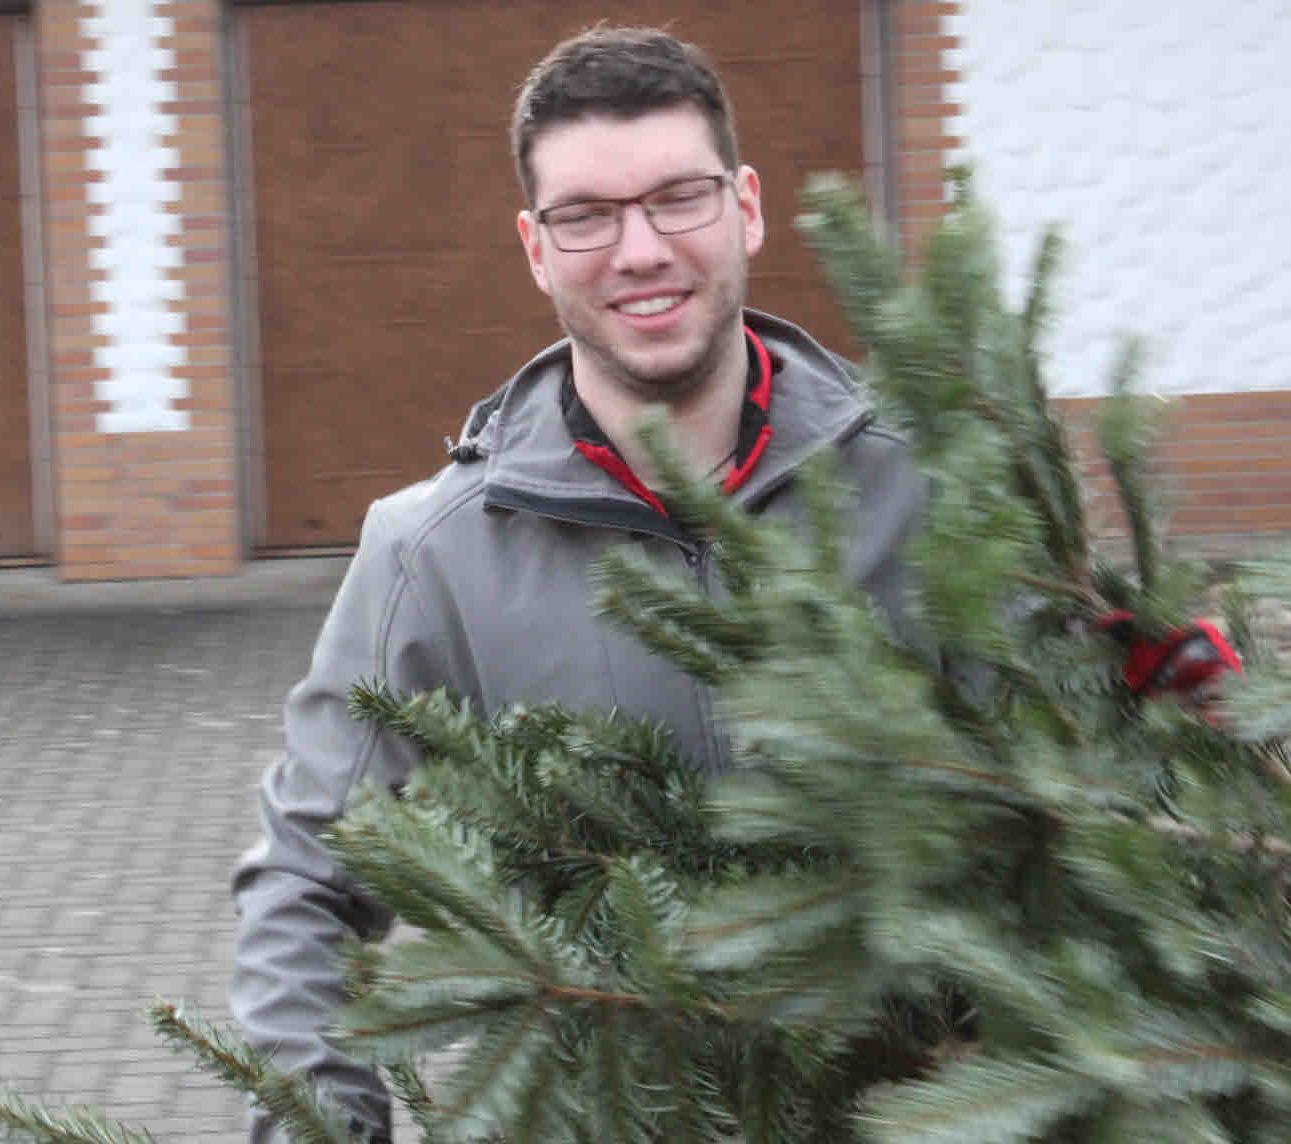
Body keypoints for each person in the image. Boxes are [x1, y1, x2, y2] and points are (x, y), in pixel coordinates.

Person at [230, 24, 924, 1144]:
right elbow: (308, 876)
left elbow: (1099, 786)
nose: (639, 250)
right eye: (586, 215)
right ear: (536, 247)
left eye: (678, 198)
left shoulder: (924, 486)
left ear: (745, 207)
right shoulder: (432, 555)